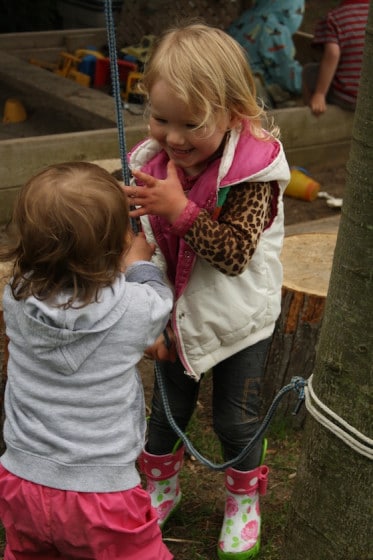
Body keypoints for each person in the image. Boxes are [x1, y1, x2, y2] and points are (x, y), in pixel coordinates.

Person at [122, 22, 290, 560]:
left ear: (233, 110)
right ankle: (161, 485)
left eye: (190, 123)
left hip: (239, 318)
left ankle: (244, 499)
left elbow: (236, 254)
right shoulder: (154, 162)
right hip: (178, 313)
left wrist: (180, 210)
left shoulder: (253, 175)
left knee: (235, 418)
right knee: (166, 409)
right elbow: (134, 233)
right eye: (159, 118)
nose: (172, 137)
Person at [0, 162, 174, 560]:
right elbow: (159, 302)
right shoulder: (135, 308)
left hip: (21, 479)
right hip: (101, 493)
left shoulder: (15, 300)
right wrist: (138, 265)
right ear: (115, 246)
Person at [227, 0, 305, 106]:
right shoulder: (275, 29)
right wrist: (308, 81)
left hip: (227, 80)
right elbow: (285, 73)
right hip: (249, 91)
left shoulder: (246, 18)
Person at [302, 0, 369, 115]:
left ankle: (315, 114)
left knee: (308, 71)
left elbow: (332, 54)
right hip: (370, 98)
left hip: (349, 98)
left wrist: (320, 93)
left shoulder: (335, 18)